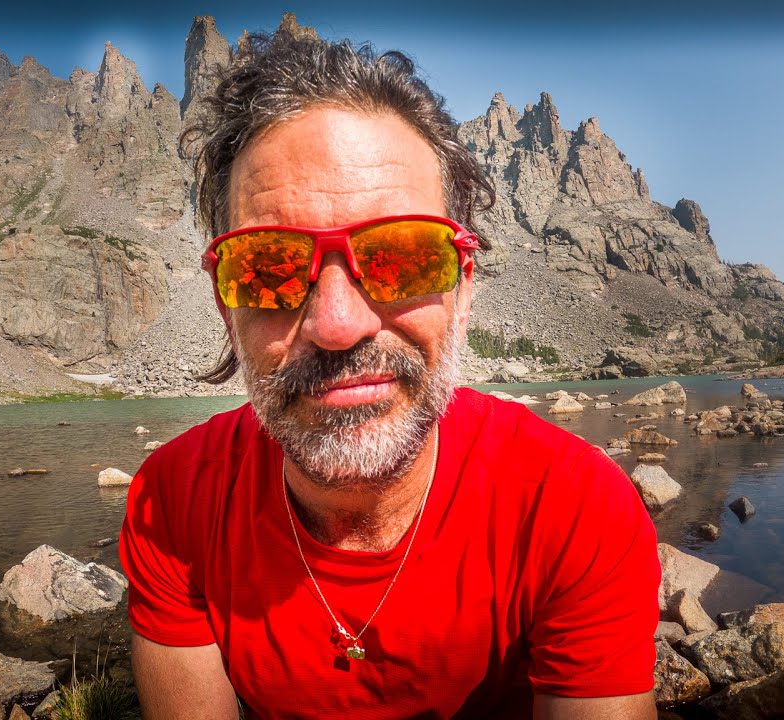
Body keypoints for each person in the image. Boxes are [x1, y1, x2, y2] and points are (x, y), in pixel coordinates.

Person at [120, 28, 660, 720]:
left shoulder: (576, 508)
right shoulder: (170, 503)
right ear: (225, 304)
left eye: (404, 258)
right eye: (267, 266)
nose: (338, 324)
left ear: (465, 290)